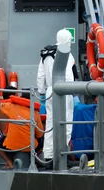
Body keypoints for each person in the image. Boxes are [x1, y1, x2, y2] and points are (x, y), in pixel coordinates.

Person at [36, 29, 76, 163]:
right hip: (64, 90)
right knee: (66, 123)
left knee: (50, 123)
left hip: (50, 91)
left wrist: (42, 91)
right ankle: (61, 154)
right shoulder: (66, 54)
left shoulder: (46, 53)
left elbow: (40, 76)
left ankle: (48, 155)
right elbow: (69, 77)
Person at [0, 86, 44, 170]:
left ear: (21, 97)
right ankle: (31, 161)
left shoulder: (12, 107)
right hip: (30, 146)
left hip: (12, 145)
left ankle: (9, 162)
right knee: (42, 142)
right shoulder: (35, 113)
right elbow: (40, 135)